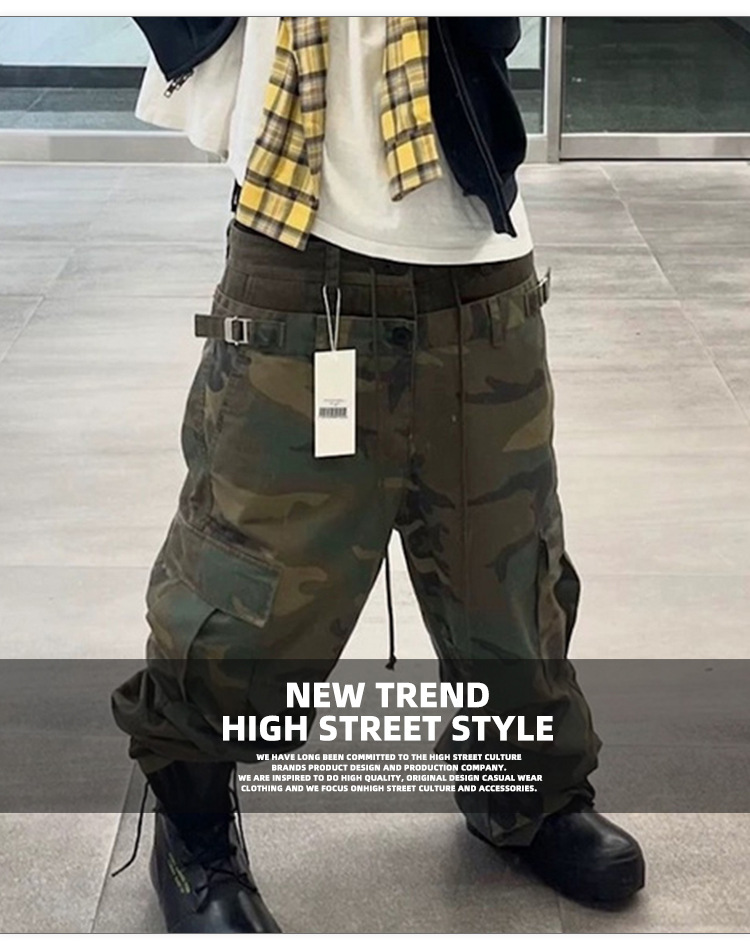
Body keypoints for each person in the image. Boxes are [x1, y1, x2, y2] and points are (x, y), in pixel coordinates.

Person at [112, 17, 645, 934]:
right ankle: (192, 830)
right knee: (248, 586)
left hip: (474, 249)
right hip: (297, 246)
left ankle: (526, 795)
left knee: (507, 575)